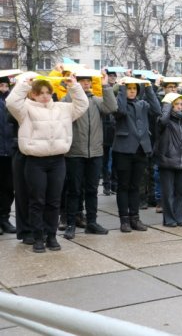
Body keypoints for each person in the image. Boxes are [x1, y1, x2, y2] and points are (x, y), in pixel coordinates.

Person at [6, 75, 89, 252]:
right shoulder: (25, 109)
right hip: (35, 162)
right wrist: (24, 85)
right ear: (33, 95)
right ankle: (37, 238)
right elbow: (12, 103)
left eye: (47, 92)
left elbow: (82, 105)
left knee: (54, 201)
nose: (44, 96)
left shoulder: (63, 108)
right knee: (37, 201)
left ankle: (51, 236)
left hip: (57, 161)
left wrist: (73, 86)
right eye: (40, 93)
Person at [62, 70, 117, 240]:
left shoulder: (96, 101)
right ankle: (71, 223)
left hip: (95, 152)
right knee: (74, 190)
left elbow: (112, 107)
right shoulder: (69, 99)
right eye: (83, 81)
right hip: (75, 153)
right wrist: (72, 88)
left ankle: (92, 222)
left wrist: (106, 85)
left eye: (89, 82)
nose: (86, 84)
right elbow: (64, 108)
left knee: (92, 190)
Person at [112, 77, 161, 232]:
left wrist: (148, 88)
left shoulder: (142, 104)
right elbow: (120, 110)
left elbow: (157, 110)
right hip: (124, 149)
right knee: (123, 186)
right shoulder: (121, 102)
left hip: (141, 149)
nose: (132, 91)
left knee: (135, 186)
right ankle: (124, 220)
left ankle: (135, 217)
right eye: (129, 88)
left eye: (134, 88)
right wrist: (121, 88)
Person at [155, 93, 182, 227]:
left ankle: (179, 215)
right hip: (168, 160)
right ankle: (169, 218)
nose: (179, 107)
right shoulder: (165, 120)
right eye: (176, 104)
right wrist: (166, 105)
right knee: (168, 192)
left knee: (181, 191)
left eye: (181, 105)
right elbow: (162, 122)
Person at [0, 75, 17, 234]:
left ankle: (4, 218)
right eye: (1, 85)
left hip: (9, 151)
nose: (3, 88)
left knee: (8, 187)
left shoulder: (11, 101)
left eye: (5, 85)